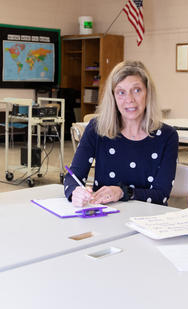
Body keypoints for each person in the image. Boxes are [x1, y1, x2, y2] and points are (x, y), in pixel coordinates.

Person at [64, 60, 177, 206]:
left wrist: (123, 192)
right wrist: (75, 192)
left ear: (148, 93)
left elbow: (161, 195)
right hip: (105, 217)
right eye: (121, 92)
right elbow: (73, 177)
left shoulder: (167, 136)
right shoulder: (97, 129)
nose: (129, 99)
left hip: (149, 220)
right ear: (113, 97)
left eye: (137, 90)